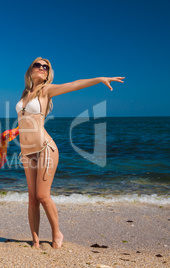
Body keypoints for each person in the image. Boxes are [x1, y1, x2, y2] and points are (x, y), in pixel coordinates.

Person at [16, 57, 124, 249]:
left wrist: (99, 78)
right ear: (30, 69)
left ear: (48, 73)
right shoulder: (25, 93)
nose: (42, 68)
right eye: (38, 65)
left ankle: (57, 234)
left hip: (44, 148)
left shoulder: (47, 90)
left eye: (46, 67)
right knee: (32, 198)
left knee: (42, 196)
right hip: (27, 152)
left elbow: (73, 85)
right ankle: (35, 240)